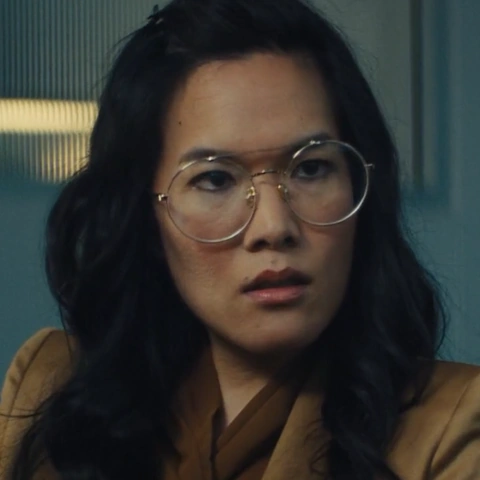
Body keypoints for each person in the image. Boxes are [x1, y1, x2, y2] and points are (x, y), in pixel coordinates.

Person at [1, 0, 479, 479]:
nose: (274, 226)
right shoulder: (48, 387)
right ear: (146, 215)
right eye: (215, 180)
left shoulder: (453, 426)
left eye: (312, 169)